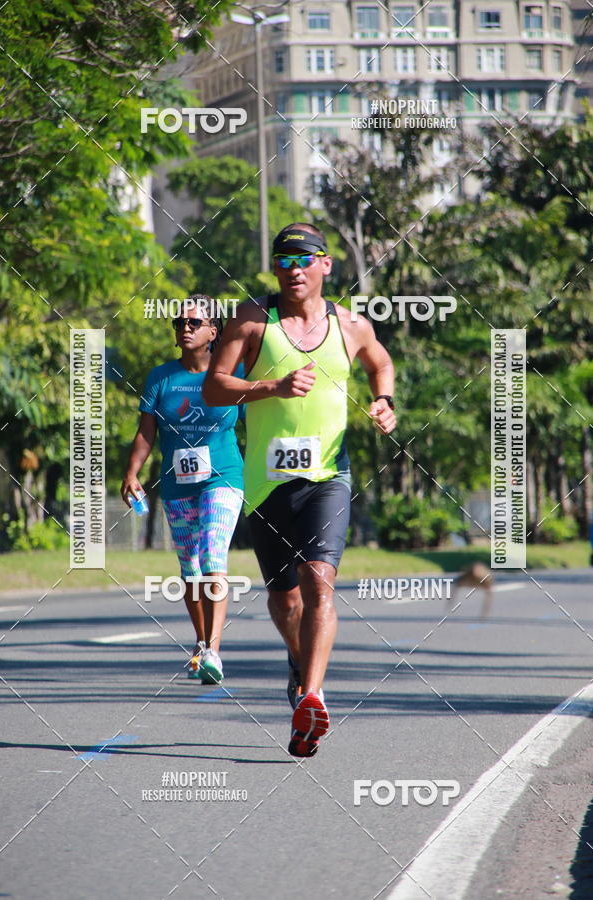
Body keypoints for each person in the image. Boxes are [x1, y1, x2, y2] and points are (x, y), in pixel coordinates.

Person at [203, 224, 396, 756]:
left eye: (304, 258)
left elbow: (380, 360)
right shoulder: (251, 320)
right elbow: (214, 384)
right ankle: (298, 661)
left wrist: (384, 399)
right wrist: (271, 386)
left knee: (318, 582)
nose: (293, 268)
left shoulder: (350, 325)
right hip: (266, 484)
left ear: (325, 265)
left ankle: (311, 697)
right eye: (283, 259)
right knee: (284, 599)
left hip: (328, 476)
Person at [121, 294, 244, 684]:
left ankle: (215, 651)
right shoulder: (161, 377)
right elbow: (146, 432)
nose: (185, 328)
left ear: (214, 332)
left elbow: (259, 422)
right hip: (177, 484)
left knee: (211, 555)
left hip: (223, 478)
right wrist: (132, 472)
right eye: (180, 323)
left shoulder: (234, 372)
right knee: (190, 570)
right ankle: (202, 641)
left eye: (195, 323)